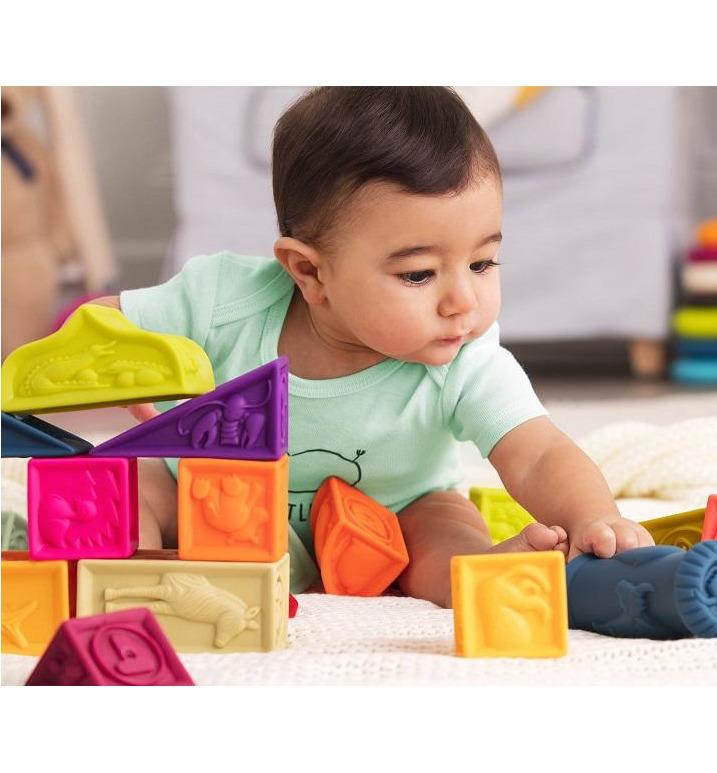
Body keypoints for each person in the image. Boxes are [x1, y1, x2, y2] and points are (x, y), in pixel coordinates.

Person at [93, 87, 653, 607]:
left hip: (394, 516)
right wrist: (124, 369)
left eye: (482, 263)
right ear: (310, 272)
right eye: (418, 274)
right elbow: (99, 325)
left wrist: (594, 518)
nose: (462, 301)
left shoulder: (465, 357)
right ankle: (131, 577)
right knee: (130, 485)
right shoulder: (222, 300)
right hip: (209, 501)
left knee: (444, 522)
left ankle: (482, 573)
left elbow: (536, 452)